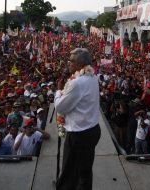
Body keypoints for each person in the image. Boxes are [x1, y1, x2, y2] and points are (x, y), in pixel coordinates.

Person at [54, 48, 101, 190]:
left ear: (81, 64)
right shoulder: (93, 77)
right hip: (92, 130)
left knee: (69, 174)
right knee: (85, 171)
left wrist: (58, 91)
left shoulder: (76, 83)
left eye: (72, 61)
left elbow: (60, 107)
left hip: (78, 136)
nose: (68, 63)